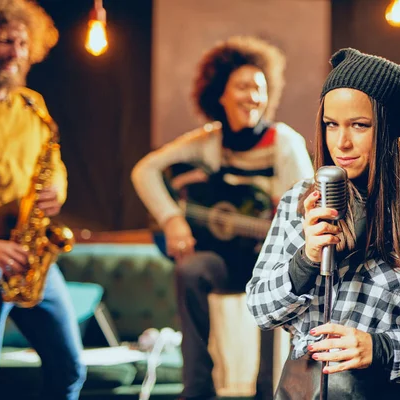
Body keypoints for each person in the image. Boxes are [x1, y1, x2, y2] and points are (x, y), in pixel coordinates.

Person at [246, 48, 400, 399]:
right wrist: (305, 259)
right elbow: (261, 310)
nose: (342, 142)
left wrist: (380, 348)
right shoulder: (299, 201)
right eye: (331, 125)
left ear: (388, 129)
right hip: (304, 387)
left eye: (360, 125)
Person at [131, 35, 314, 400]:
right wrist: (172, 219)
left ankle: (269, 391)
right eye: (242, 87)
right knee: (190, 270)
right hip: (224, 261)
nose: (252, 97)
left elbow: (306, 211)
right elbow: (145, 171)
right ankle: (198, 389)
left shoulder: (284, 142)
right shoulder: (208, 141)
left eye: (259, 88)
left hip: (272, 261)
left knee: (277, 282)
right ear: (220, 95)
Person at [0, 1, 86, 399]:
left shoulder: (32, 104)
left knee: (70, 370)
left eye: (24, 43)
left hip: (31, 255)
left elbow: (53, 160)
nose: (16, 52)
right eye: (6, 40)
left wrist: (57, 186)